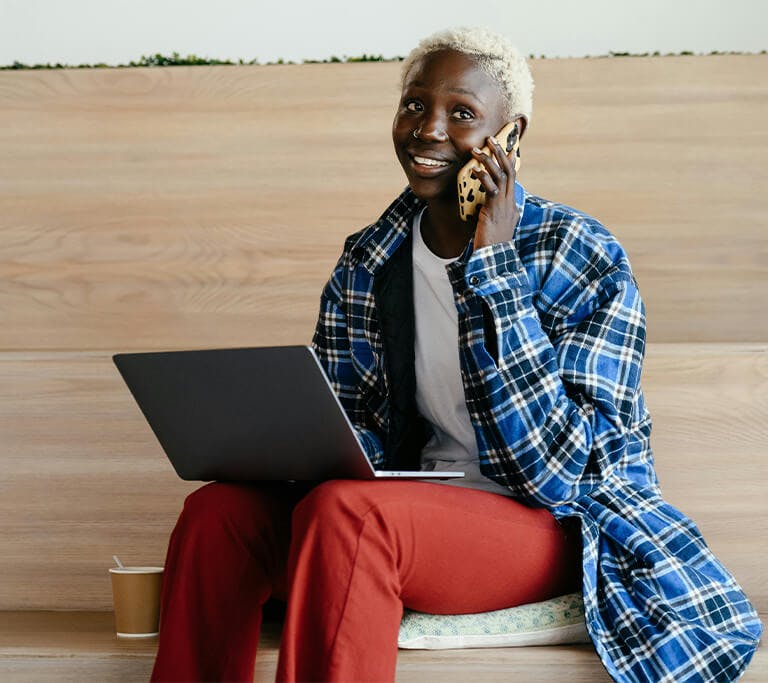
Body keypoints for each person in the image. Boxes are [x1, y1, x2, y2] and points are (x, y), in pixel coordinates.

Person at [150, 27, 762, 683]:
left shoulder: (578, 253)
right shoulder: (369, 259)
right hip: (405, 512)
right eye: (414, 105)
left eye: (462, 113)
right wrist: (280, 445)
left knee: (349, 514)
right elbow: (352, 429)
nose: (428, 129)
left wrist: (493, 265)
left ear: (511, 135)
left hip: (554, 526)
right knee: (216, 516)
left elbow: (559, 476)